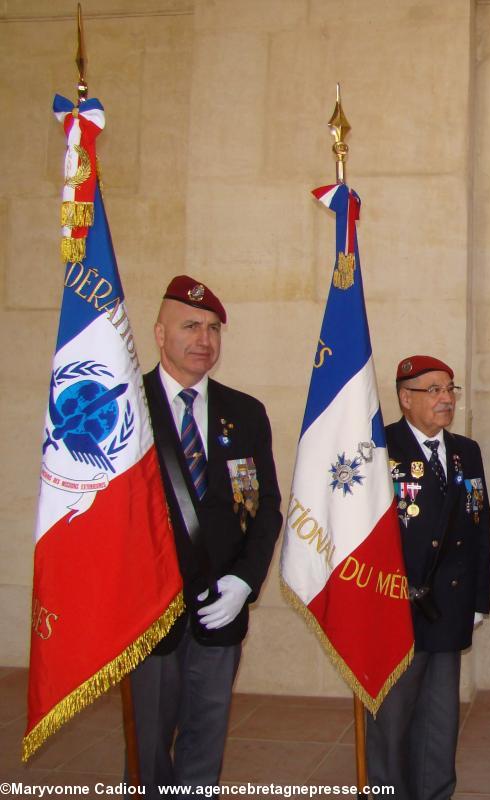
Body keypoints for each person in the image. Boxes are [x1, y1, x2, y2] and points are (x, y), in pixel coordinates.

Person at [131, 275, 282, 797]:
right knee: (147, 749)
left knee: (206, 739)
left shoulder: (244, 412)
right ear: (159, 333)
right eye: (190, 326)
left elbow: (264, 508)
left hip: (222, 606)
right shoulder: (128, 406)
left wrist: (244, 581)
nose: (204, 339)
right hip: (148, 613)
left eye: (213, 328)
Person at [366, 355, 490, 800]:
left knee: (440, 716)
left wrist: (479, 599)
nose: (446, 399)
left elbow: (479, 527)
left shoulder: (466, 451)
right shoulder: (378, 448)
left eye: (450, 389)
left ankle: (436, 791)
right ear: (406, 398)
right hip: (395, 604)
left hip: (450, 603)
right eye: (433, 390)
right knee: (392, 716)